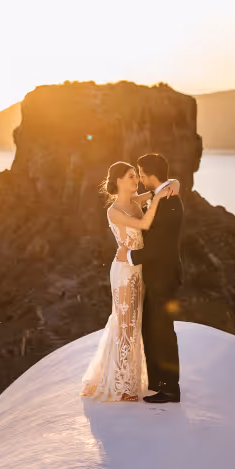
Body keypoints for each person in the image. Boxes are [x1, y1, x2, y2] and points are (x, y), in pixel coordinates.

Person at [79, 161, 178, 402]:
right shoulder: (113, 211)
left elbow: (159, 190)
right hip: (124, 271)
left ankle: (129, 381)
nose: (137, 180)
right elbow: (144, 224)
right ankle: (121, 385)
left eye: (136, 175)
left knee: (135, 323)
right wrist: (157, 199)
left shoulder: (135, 202)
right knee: (124, 324)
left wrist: (174, 182)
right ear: (119, 180)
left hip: (139, 269)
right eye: (131, 176)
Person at [126, 153, 185, 404]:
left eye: (142, 174)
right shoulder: (163, 194)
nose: (140, 179)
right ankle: (160, 383)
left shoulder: (169, 201)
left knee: (162, 331)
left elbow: (160, 245)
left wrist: (130, 256)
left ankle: (170, 389)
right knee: (152, 328)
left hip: (163, 275)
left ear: (152, 175)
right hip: (158, 274)